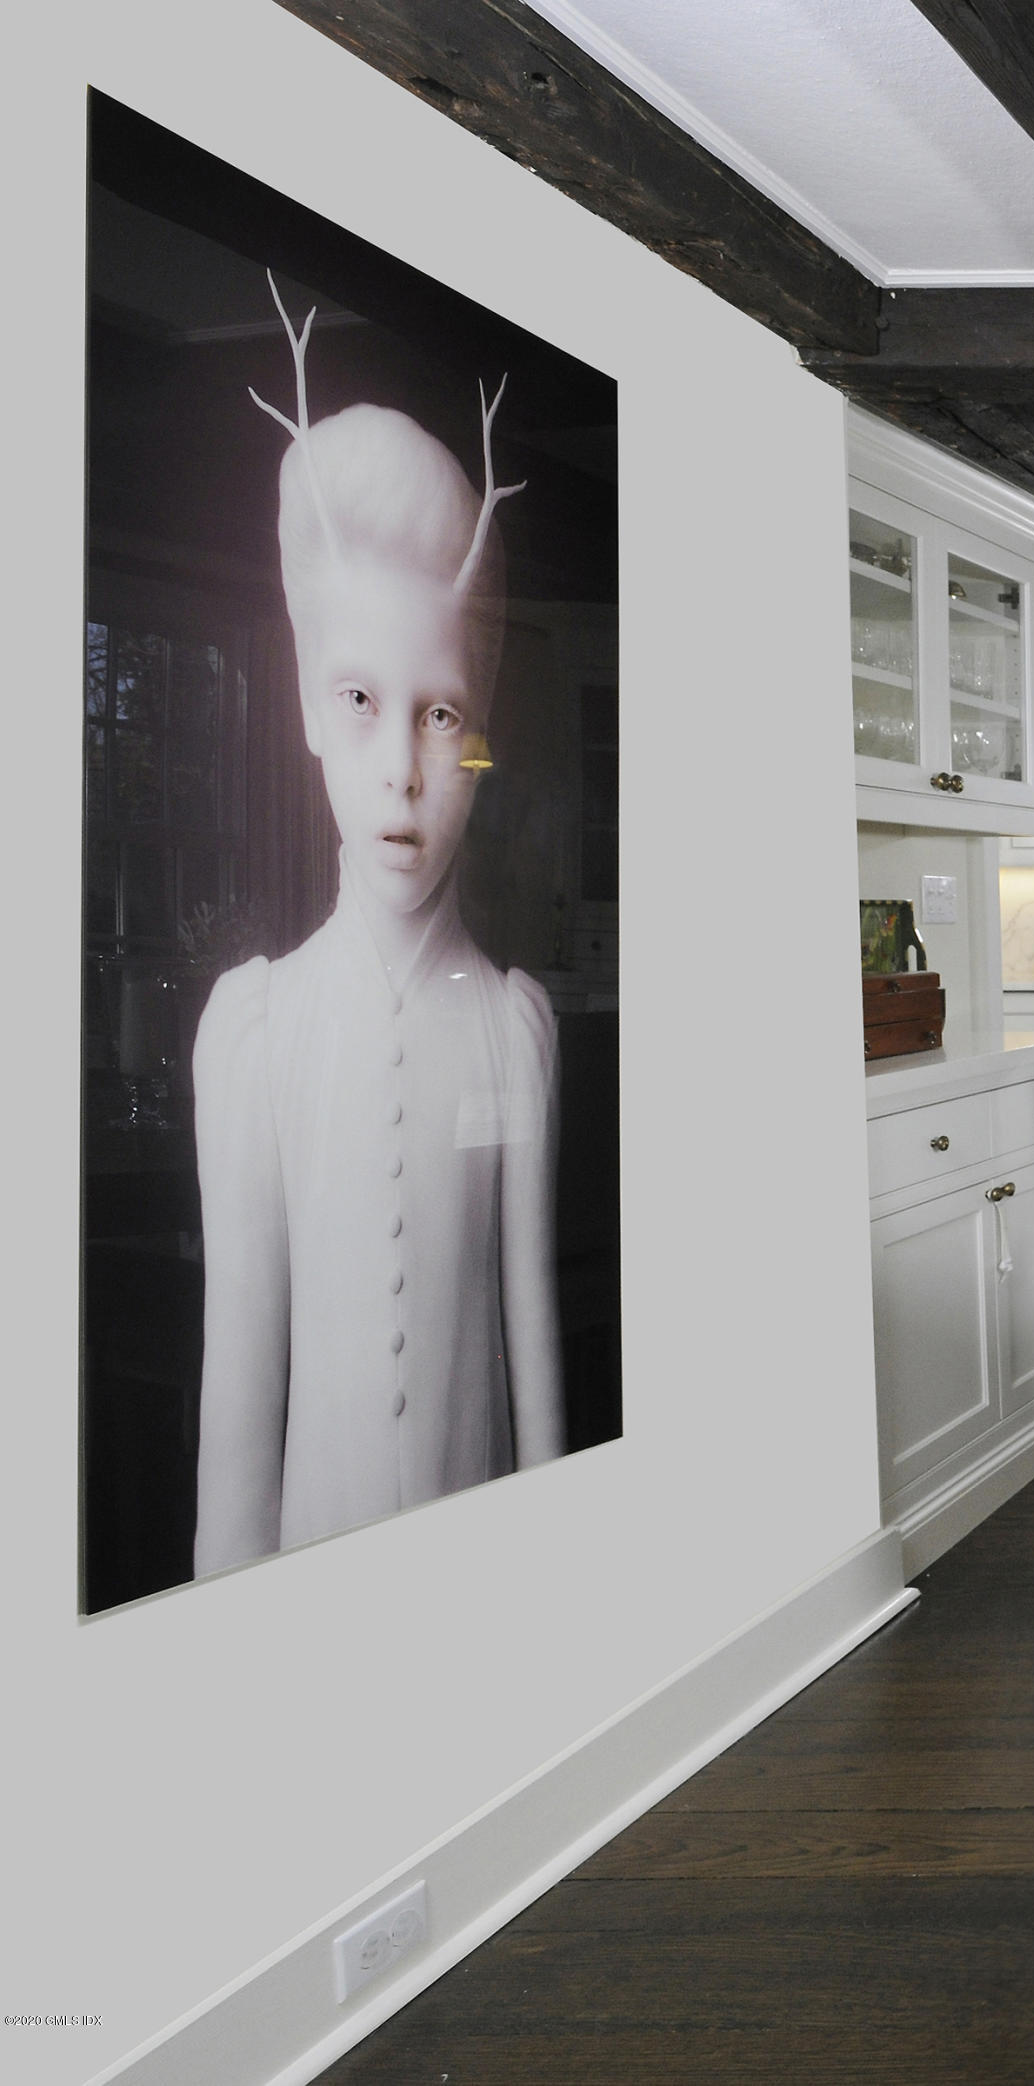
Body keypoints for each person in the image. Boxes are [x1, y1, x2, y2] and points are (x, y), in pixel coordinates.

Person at [192, 282, 563, 1575]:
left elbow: (537, 1366)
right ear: (306, 703)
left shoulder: (514, 1026)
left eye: (441, 715)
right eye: (360, 700)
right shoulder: (257, 1030)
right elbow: (237, 1408)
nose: (402, 769)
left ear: (481, 737)